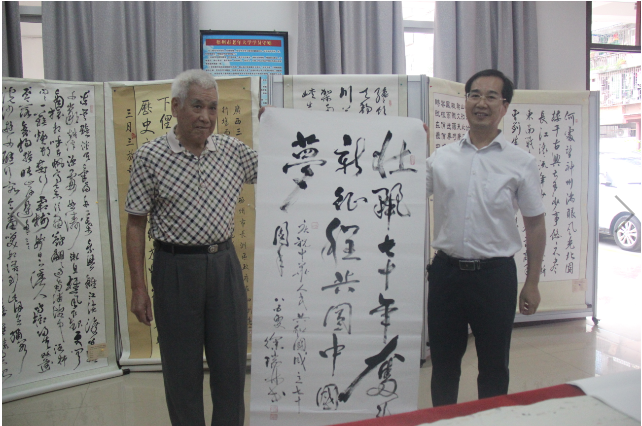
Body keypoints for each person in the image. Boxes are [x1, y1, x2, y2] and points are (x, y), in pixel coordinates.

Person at [125, 69, 258, 426]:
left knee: (231, 367)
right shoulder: (150, 157)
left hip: (224, 267)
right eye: (197, 106)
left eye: (213, 108)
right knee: (181, 371)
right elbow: (136, 223)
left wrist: (278, 127)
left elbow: (281, 168)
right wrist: (138, 288)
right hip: (175, 270)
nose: (206, 117)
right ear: (176, 107)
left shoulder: (232, 151)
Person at [426, 69, 546, 407]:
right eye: (474, 95)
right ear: (465, 102)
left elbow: (535, 225)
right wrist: (409, 146)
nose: (482, 103)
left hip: (495, 277)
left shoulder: (521, 162)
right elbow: (402, 192)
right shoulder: (440, 159)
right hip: (446, 274)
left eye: (491, 96)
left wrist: (532, 282)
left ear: (504, 106)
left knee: (494, 367)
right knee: (443, 365)